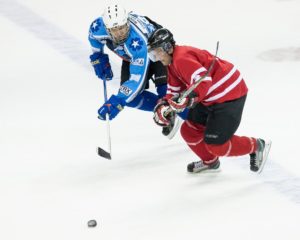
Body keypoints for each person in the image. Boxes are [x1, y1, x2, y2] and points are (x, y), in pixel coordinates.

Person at [147, 28, 272, 173]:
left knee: (216, 145)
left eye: (157, 52)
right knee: (189, 131)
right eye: (153, 53)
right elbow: (174, 90)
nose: (156, 57)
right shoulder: (172, 63)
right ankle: (210, 162)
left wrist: (188, 100)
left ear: (167, 47)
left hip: (229, 95)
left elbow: (204, 81)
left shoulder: (181, 58)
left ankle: (257, 146)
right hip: (210, 98)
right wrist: (164, 105)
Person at [88, 4, 186, 138]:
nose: (119, 33)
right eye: (114, 30)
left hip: (157, 50)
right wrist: (98, 57)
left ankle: (194, 118)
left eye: (122, 28)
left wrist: (118, 100)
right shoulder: (98, 27)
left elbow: (136, 80)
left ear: (127, 22)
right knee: (132, 99)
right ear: (106, 28)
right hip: (132, 57)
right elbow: (94, 38)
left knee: (165, 90)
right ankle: (164, 110)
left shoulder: (137, 42)